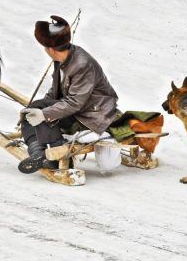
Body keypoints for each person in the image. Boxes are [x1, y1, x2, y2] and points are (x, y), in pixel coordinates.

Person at [18, 15, 119, 173]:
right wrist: (36, 110)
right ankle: (39, 154)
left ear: (51, 49)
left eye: (45, 47)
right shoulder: (62, 60)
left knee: (41, 113)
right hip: (80, 110)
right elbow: (55, 92)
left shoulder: (81, 64)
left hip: (93, 115)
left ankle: (56, 153)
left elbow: (74, 103)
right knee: (30, 113)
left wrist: (44, 113)